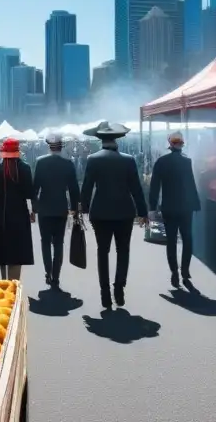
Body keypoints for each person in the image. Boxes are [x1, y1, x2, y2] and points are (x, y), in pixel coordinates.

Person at [80, 122, 149, 311]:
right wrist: (143, 212)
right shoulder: (128, 160)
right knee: (123, 251)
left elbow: (87, 187)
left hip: (100, 212)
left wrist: (82, 210)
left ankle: (104, 293)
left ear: (100, 140)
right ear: (117, 140)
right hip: (124, 212)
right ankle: (119, 288)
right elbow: (136, 188)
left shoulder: (93, 159)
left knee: (103, 252)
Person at [149, 131, 201, 289]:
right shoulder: (187, 161)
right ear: (182, 144)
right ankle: (185, 270)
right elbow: (191, 185)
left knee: (171, 240)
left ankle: (174, 271)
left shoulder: (161, 162)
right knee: (187, 238)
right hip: (186, 207)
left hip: (169, 207)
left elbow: (154, 187)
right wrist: (195, 204)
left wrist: (152, 208)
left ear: (170, 144)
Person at [32, 132, 80, 288]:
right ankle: (56, 276)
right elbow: (74, 190)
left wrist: (33, 208)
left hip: (44, 207)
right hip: (61, 208)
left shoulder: (40, 162)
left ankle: (48, 272)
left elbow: (35, 187)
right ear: (61, 147)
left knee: (45, 242)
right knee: (58, 243)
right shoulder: (68, 164)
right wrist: (75, 210)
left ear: (49, 147)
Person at [0, 138, 35, 281]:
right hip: (20, 214)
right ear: (18, 151)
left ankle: (4, 283)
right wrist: (33, 212)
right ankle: (15, 284)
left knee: (2, 251)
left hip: (0, 213)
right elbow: (30, 193)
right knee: (16, 252)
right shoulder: (25, 168)